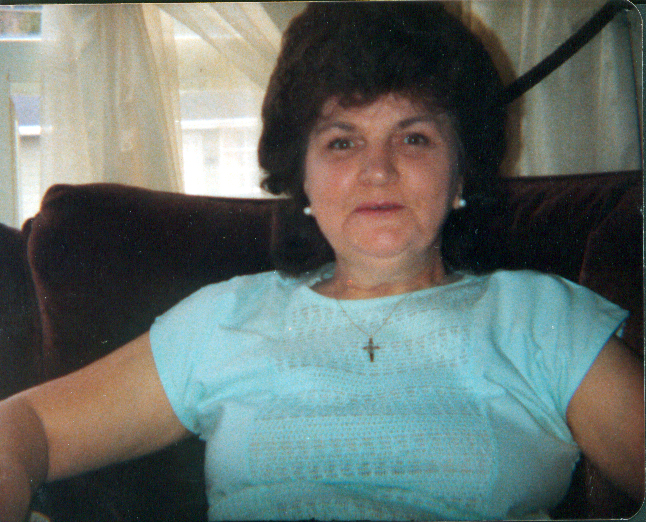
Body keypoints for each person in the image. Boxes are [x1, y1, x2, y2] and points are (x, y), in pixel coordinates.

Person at [1, 2, 643, 521]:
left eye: (414, 137)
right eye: (342, 141)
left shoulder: (540, 319)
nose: (378, 169)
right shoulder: (226, 318)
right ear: (301, 177)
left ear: (462, 172)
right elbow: (27, 426)